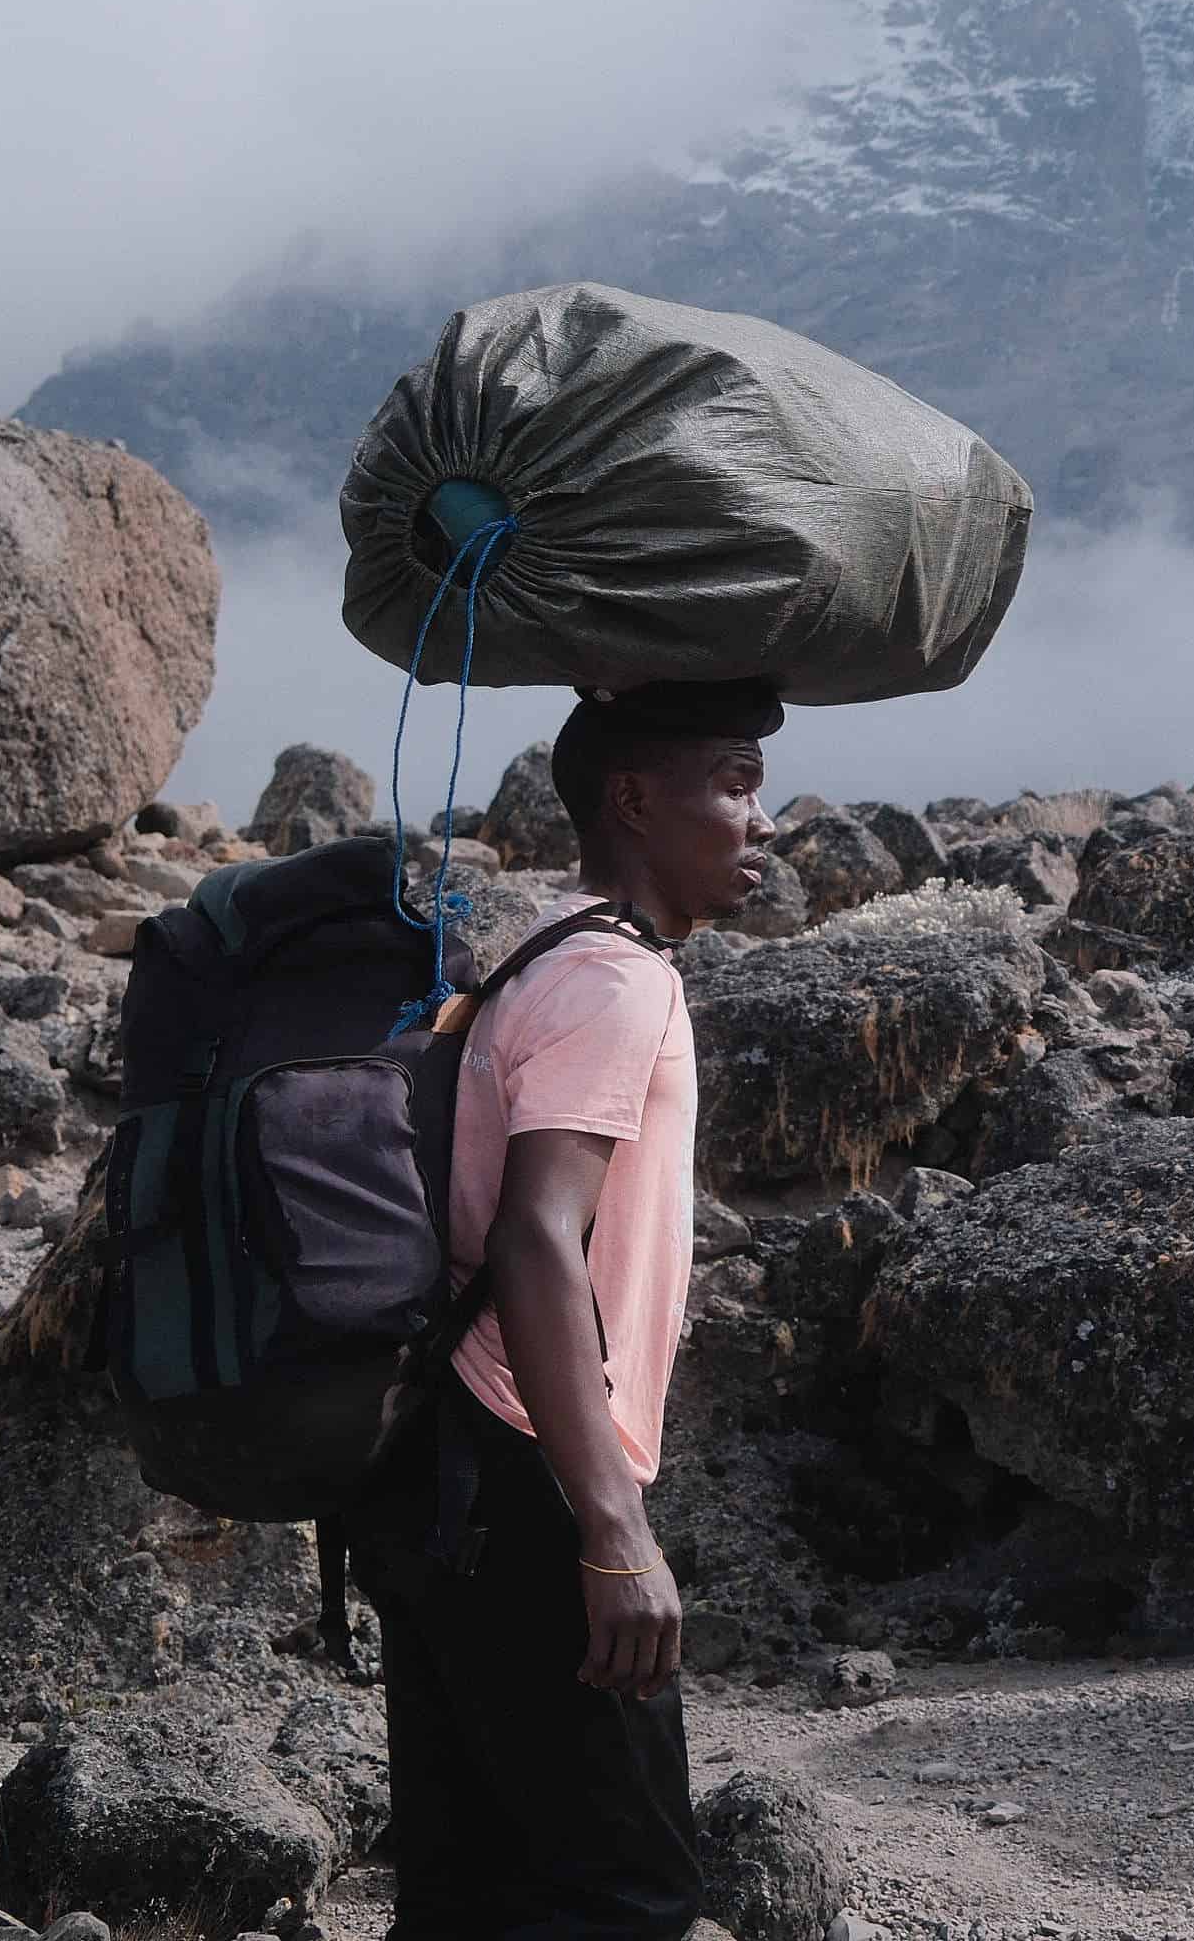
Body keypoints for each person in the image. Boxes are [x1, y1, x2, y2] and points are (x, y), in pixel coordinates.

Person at [354, 677, 781, 1940]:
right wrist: (613, 1529)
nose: (764, 821)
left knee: (467, 1893)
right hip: (522, 1468)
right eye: (736, 782)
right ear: (636, 800)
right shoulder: (614, 980)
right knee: (629, 1897)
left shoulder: (548, 947)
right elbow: (541, 1235)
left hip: (441, 1467)